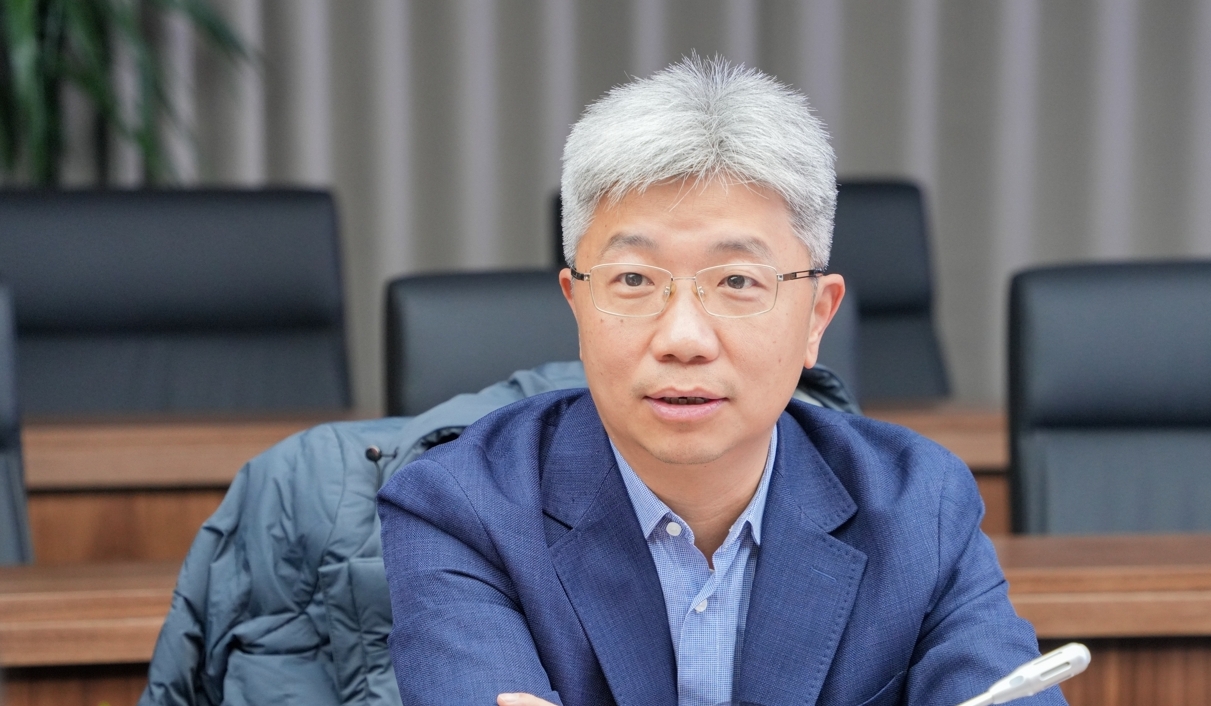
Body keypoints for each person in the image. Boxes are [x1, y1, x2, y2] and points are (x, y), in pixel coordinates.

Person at [377, 56, 1064, 706]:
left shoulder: (918, 507)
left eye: (737, 281)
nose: (683, 339)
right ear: (576, 305)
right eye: (633, 279)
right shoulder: (461, 508)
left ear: (816, 317)